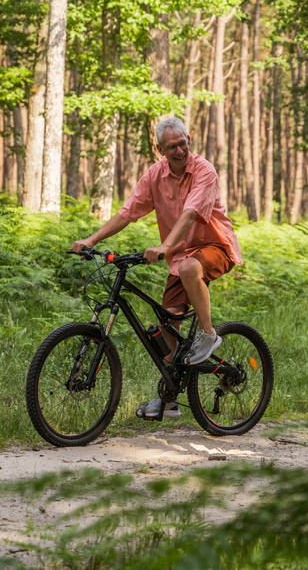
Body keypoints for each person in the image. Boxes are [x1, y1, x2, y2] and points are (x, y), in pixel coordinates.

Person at [71, 116, 243, 420]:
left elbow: (190, 213)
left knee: (190, 268)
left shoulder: (204, 170)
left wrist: (165, 247)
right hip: (180, 259)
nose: (179, 151)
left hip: (215, 247)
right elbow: (127, 213)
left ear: (189, 139)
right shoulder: (155, 175)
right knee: (167, 333)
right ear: (159, 148)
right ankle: (169, 399)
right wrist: (91, 238)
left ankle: (208, 335)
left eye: (183, 143)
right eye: (171, 147)